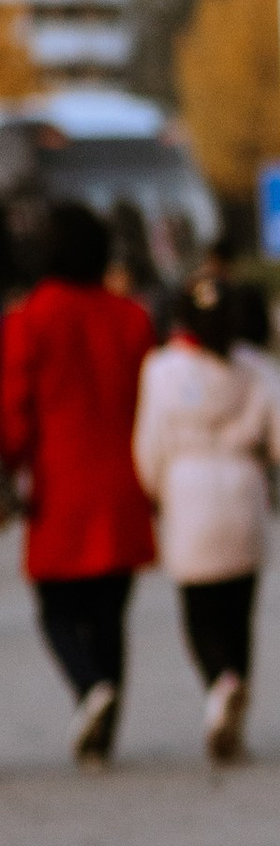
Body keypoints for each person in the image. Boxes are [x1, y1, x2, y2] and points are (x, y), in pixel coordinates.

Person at [0, 198, 156, 762]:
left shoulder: (28, 321)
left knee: (56, 608)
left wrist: (9, 468)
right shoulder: (132, 316)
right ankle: (105, 713)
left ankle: (90, 687)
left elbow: (14, 414)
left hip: (59, 484)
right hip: (125, 483)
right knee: (111, 609)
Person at [130, 280, 280, 760]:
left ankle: (219, 682)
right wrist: (259, 455)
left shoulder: (163, 368)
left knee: (199, 611)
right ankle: (238, 689)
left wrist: (152, 490)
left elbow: (148, 446)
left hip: (188, 493)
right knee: (239, 609)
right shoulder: (254, 368)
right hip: (243, 489)